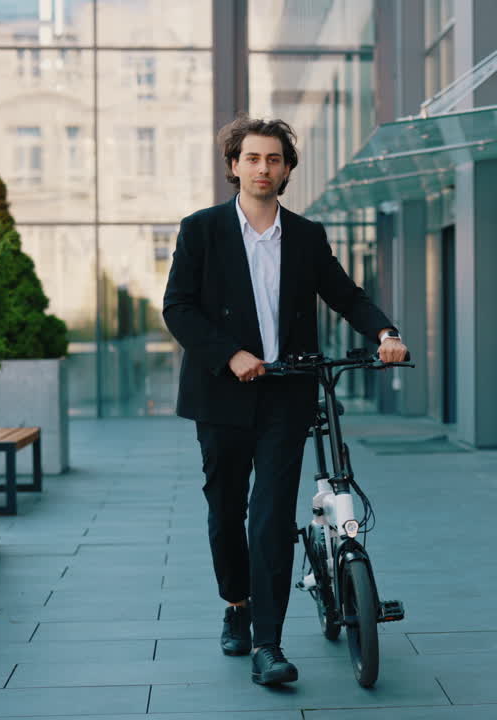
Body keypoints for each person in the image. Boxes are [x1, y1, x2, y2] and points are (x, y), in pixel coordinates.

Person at [162, 116, 408, 687]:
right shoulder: (200, 231)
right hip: (222, 392)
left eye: (274, 159)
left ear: (287, 168)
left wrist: (385, 333)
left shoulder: (306, 236)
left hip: (287, 395)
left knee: (271, 517)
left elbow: (346, 294)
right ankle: (237, 605)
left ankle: (268, 645)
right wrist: (230, 354)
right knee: (226, 512)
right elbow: (178, 308)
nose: (263, 168)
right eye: (252, 158)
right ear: (234, 165)